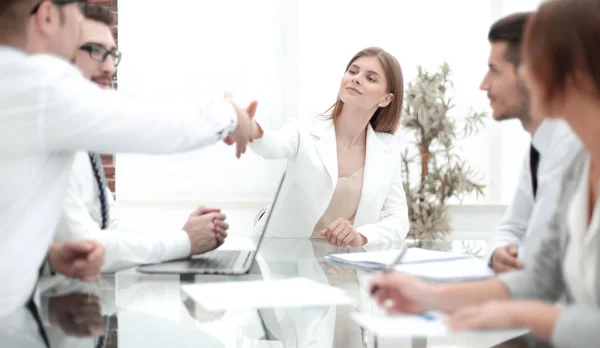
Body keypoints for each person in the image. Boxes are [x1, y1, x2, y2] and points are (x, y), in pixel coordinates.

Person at [0, 0, 254, 320]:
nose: (109, 67)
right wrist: (230, 113)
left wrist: (47, 260)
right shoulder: (37, 87)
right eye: (80, 34)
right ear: (48, 16)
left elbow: (103, 224)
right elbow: (160, 126)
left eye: (112, 54)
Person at [369, 1, 600, 346]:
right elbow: (539, 276)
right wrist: (428, 295)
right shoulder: (577, 164)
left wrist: (519, 315)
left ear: (576, 70)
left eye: (535, 62)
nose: (527, 74)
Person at [53, 4, 229, 273]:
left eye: (113, 55)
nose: (110, 68)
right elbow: (86, 247)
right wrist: (184, 241)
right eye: (97, 51)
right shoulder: (50, 135)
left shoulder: (78, 136)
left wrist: (184, 234)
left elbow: (110, 220)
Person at [244, 47, 409, 247]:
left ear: (385, 99)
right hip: (280, 256)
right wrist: (252, 129)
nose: (356, 79)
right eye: (353, 71)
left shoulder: (388, 148)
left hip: (339, 267)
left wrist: (361, 236)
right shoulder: (307, 126)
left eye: (371, 78)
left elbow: (398, 220)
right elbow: (274, 145)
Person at [480, 12, 578, 273]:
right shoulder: (538, 149)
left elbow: (544, 267)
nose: (483, 85)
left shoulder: (571, 148)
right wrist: (499, 251)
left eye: (494, 71)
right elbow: (513, 226)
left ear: (533, 74)